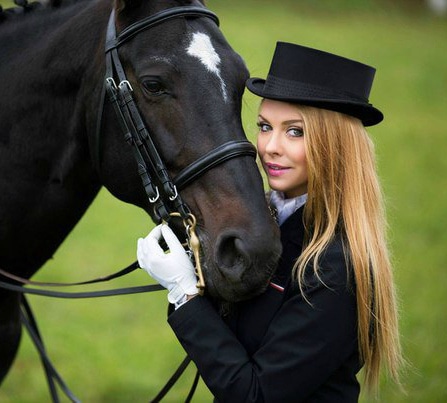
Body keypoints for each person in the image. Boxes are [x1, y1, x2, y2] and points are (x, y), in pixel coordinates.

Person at [137, 42, 403, 402]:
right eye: (264, 126)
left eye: (295, 132)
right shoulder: (263, 224)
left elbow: (257, 394)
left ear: (336, 145)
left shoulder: (337, 267)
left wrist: (185, 295)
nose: (270, 146)